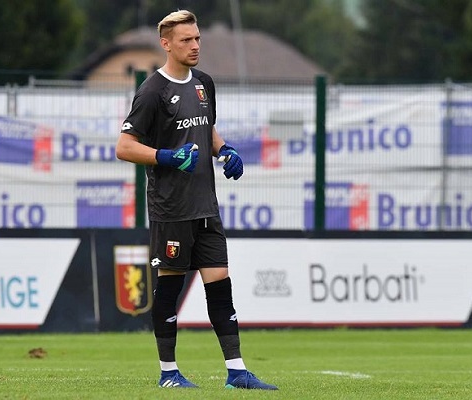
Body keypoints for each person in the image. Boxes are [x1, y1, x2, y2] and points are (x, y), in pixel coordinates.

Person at [115, 9, 278, 391]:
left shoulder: (204, 83)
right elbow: (124, 146)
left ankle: (236, 372)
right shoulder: (153, 91)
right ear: (166, 44)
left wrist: (225, 150)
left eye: (197, 38)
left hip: (206, 205)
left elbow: (207, 128)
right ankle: (168, 373)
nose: (195, 46)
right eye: (186, 40)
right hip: (171, 208)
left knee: (220, 285)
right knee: (170, 288)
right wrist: (166, 157)